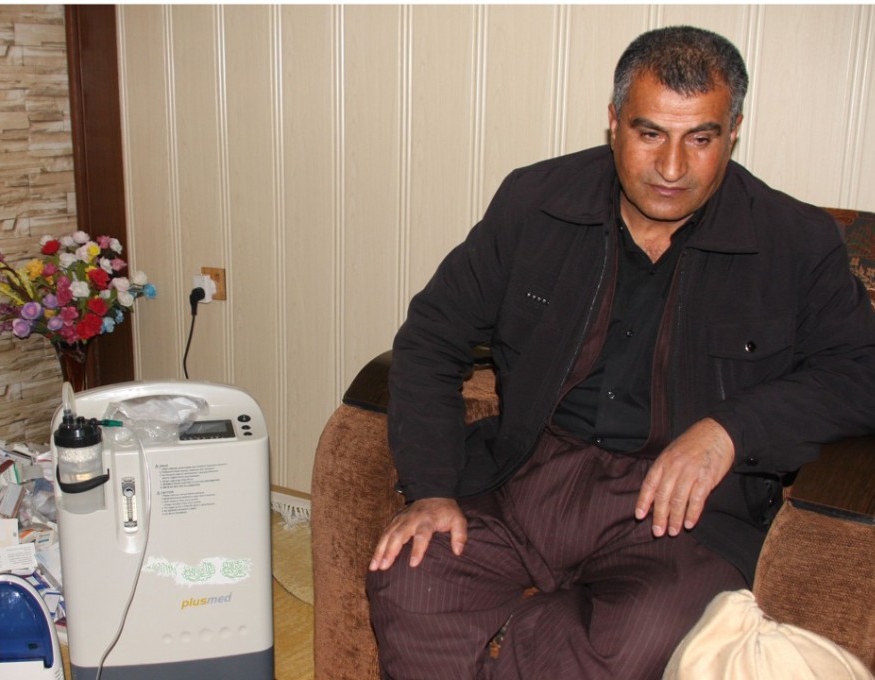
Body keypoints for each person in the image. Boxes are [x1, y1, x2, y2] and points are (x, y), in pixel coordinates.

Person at [366, 25, 875, 680]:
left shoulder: (795, 242)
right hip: (527, 474)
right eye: (650, 133)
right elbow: (432, 332)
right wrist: (430, 488)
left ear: (734, 130)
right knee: (410, 575)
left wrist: (731, 431)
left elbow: (861, 373)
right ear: (613, 123)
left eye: (701, 138)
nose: (671, 168)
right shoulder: (535, 202)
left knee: (644, 632)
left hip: (679, 511)